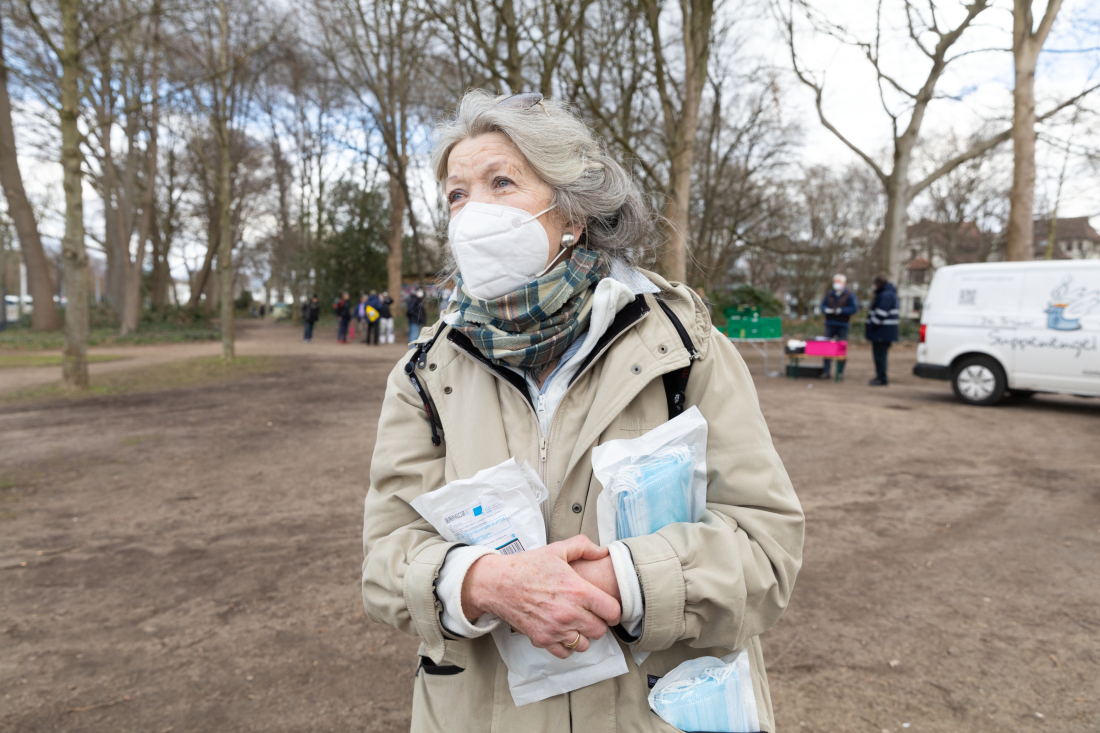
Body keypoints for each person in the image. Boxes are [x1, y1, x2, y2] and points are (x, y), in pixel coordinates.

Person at [362, 90, 804, 733]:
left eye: (501, 182)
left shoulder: (684, 347)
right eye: (457, 194)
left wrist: (615, 581)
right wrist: (485, 583)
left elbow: (767, 547)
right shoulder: (423, 375)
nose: (471, 212)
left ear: (570, 213)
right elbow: (384, 562)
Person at [819, 273, 859, 379]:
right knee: (827, 348)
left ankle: (840, 372)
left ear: (844, 283)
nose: (836, 284)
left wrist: (841, 311)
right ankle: (826, 371)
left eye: (838, 282)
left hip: (843, 325)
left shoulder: (850, 295)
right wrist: (826, 310)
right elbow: (822, 306)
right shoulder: (829, 294)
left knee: (841, 349)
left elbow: (854, 309)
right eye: (835, 282)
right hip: (830, 324)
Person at [865, 273, 900, 386]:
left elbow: (881, 313)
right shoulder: (889, 293)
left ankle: (881, 378)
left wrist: (872, 325)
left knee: (880, 356)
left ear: (879, 284)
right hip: (884, 332)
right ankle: (880, 376)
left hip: (882, 332)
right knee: (881, 356)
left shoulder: (885, 295)